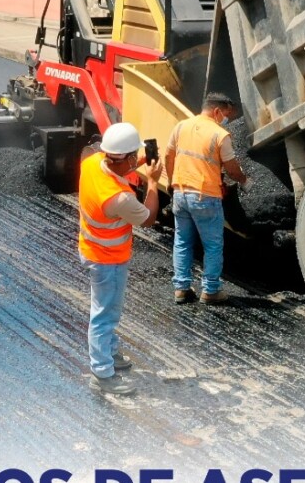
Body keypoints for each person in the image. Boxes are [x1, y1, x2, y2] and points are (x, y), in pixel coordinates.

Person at [79, 122, 162, 396]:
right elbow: (148, 218)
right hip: (108, 259)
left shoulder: (91, 162)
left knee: (109, 311)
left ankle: (110, 354)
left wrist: (138, 160)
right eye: (133, 156)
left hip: (92, 248)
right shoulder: (120, 198)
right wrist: (152, 181)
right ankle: (102, 374)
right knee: (104, 315)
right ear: (124, 158)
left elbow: (116, 163)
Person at [165, 92, 249, 305]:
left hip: (180, 193)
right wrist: (245, 181)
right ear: (217, 111)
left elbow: (168, 155)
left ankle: (181, 289)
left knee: (182, 242)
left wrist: (171, 181)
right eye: (226, 115)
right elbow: (231, 169)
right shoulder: (220, 135)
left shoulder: (181, 126)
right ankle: (210, 290)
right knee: (212, 245)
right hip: (205, 197)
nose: (226, 120)